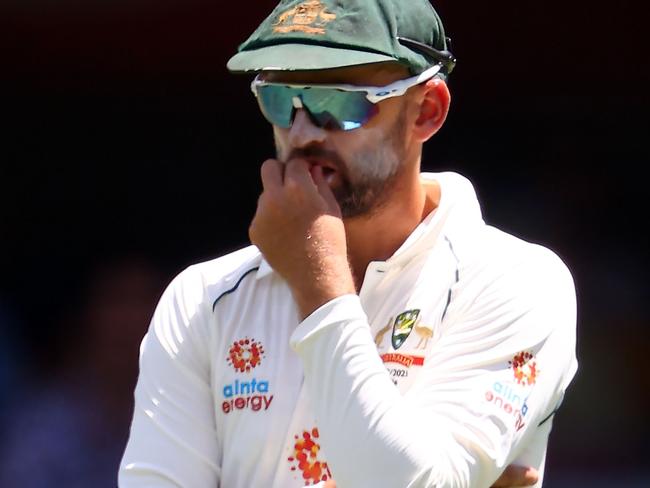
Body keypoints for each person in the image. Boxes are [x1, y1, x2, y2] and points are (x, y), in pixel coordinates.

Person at [119, 1, 578, 487]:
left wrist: (320, 286)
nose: (301, 132)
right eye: (279, 99)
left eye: (337, 100)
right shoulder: (203, 299)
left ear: (427, 110)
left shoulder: (517, 282)